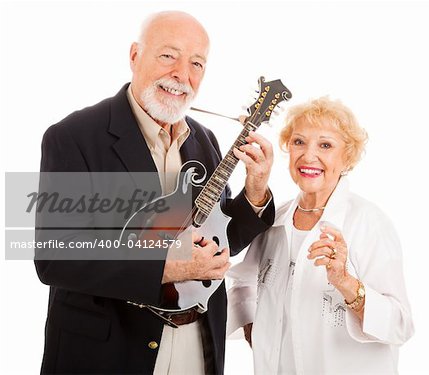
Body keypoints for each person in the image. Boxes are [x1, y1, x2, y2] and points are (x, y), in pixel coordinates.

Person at [35, 11, 275, 374]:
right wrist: (166, 267)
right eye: (168, 55)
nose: (182, 74)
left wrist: (255, 193)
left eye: (197, 63)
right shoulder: (73, 136)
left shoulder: (205, 141)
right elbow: (55, 257)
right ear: (135, 56)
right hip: (109, 353)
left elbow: (213, 241)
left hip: (196, 346)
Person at [227, 96, 414, 374]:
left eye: (325, 145)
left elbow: (400, 325)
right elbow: (244, 283)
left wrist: (346, 283)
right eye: (299, 142)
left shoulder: (368, 223)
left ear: (347, 157)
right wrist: (259, 331)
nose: (308, 156)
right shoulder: (275, 221)